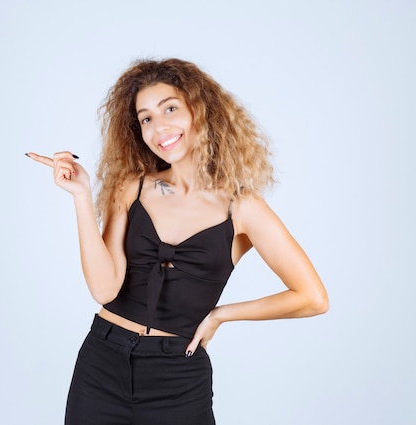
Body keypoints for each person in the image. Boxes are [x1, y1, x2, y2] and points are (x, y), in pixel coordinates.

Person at [26, 58, 328, 425]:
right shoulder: (131, 187)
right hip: (101, 364)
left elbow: (313, 297)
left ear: (199, 111)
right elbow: (105, 290)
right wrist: (81, 197)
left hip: (177, 380)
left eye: (170, 108)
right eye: (146, 118)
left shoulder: (243, 207)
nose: (159, 126)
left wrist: (221, 314)